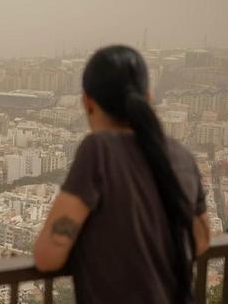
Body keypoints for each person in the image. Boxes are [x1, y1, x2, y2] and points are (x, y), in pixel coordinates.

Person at [33, 45, 211, 303]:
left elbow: (47, 256)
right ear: (148, 97)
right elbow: (202, 239)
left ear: (87, 102)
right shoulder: (181, 155)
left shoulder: (99, 150)